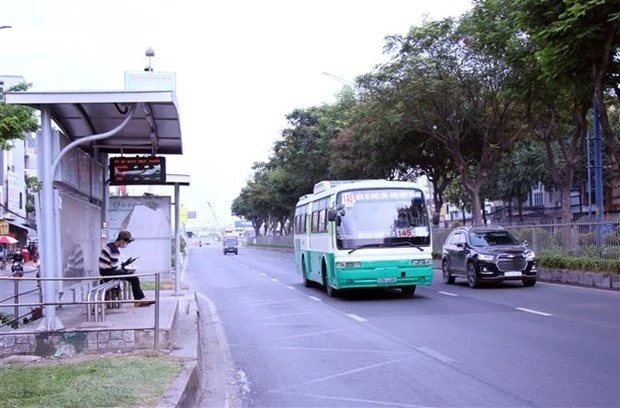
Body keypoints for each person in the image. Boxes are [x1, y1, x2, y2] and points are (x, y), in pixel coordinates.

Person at [99, 230, 154, 307]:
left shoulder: (110, 245)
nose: (126, 244)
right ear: (122, 240)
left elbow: (114, 265)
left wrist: (123, 267)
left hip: (104, 271)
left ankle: (140, 299)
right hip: (108, 272)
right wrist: (125, 268)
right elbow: (114, 267)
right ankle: (139, 300)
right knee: (134, 278)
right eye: (127, 242)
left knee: (132, 276)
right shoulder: (114, 250)